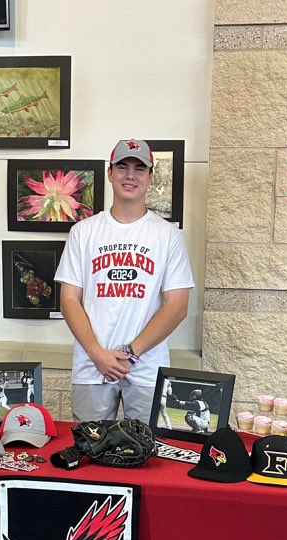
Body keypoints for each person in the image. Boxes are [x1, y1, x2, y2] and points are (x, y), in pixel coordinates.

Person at [55, 139, 194, 423]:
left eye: (139, 169)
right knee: (90, 453)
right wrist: (97, 354)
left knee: (147, 454)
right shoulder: (84, 232)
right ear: (110, 172)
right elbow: (69, 300)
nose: (130, 176)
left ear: (150, 177)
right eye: (123, 167)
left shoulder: (168, 235)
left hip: (145, 369)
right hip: (92, 367)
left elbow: (177, 306)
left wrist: (130, 354)